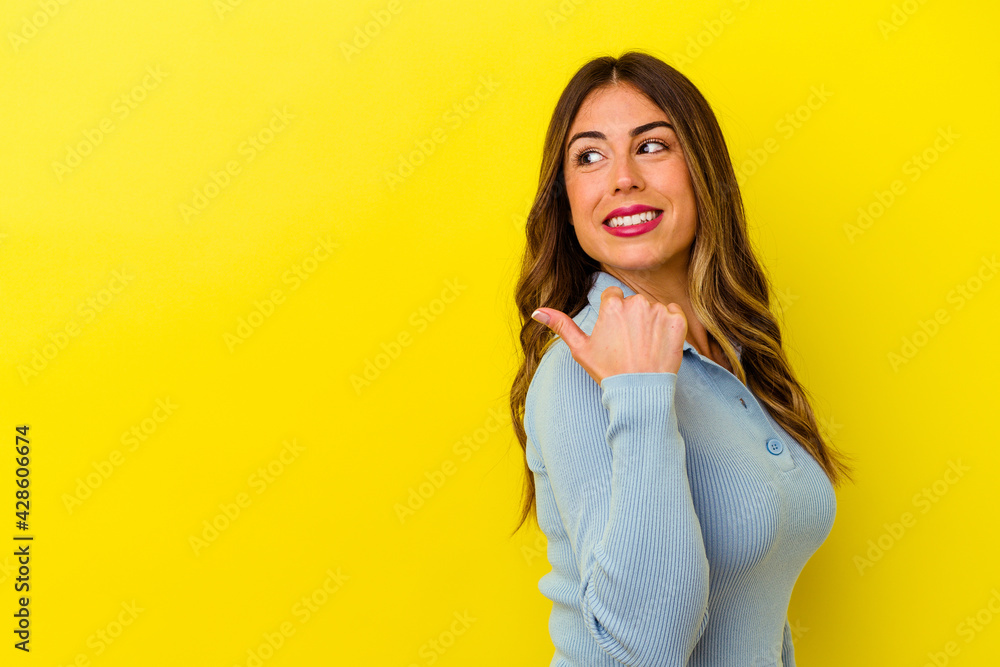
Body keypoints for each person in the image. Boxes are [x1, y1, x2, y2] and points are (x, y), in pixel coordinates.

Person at [508, 51, 856, 666]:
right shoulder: (578, 373)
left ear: (702, 171)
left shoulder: (731, 347)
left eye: (652, 146)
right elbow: (645, 649)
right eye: (589, 156)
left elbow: (754, 611)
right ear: (566, 200)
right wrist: (641, 394)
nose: (622, 178)